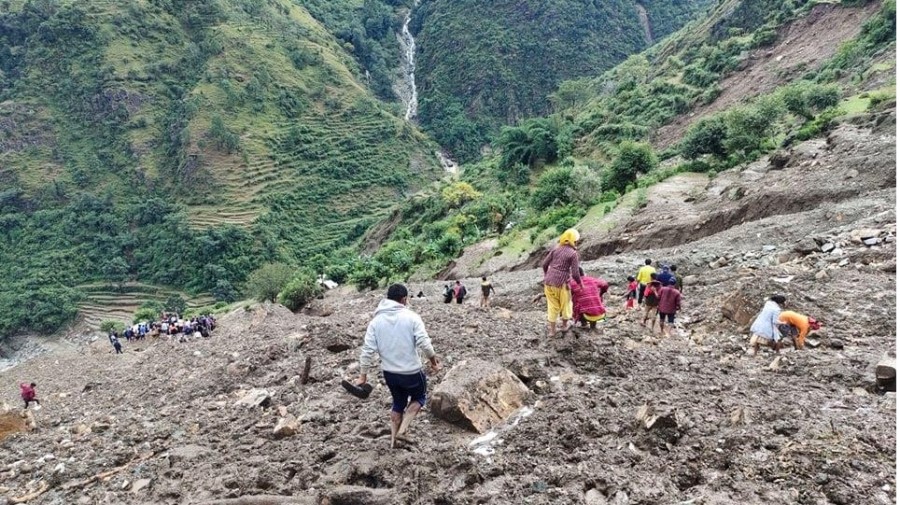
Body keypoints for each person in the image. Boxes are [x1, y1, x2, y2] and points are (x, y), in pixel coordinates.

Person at [356, 284, 441, 448]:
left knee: (398, 403)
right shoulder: (412, 317)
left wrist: (363, 376)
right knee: (419, 398)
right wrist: (433, 362)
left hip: (390, 373)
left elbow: (367, 351)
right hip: (412, 371)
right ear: (404, 299)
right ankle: (403, 431)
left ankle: (394, 442)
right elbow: (424, 343)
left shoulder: (376, 322)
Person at [541, 228, 583, 337]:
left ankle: (552, 331)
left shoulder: (555, 249)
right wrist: (580, 284)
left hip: (548, 282)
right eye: (576, 240)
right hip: (562, 283)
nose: (577, 242)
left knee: (552, 306)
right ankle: (564, 326)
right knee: (566, 304)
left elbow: (544, 264)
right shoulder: (572, 254)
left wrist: (547, 276)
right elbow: (575, 273)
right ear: (573, 240)